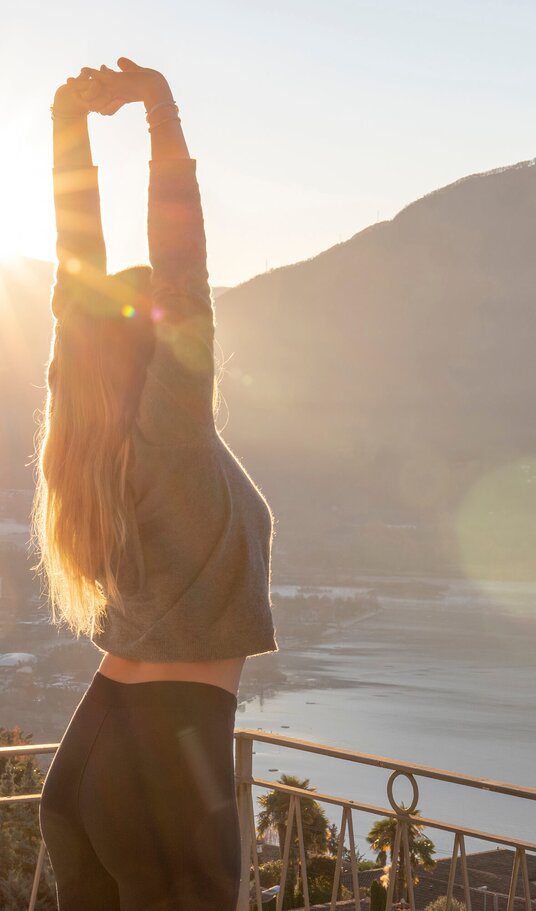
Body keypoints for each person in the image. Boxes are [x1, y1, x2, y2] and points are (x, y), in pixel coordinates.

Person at [33, 58, 279, 910]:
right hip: (171, 766)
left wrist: (70, 123)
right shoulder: (168, 435)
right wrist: (158, 109)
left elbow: (77, 267)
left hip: (97, 756)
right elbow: (182, 257)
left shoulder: (92, 447)